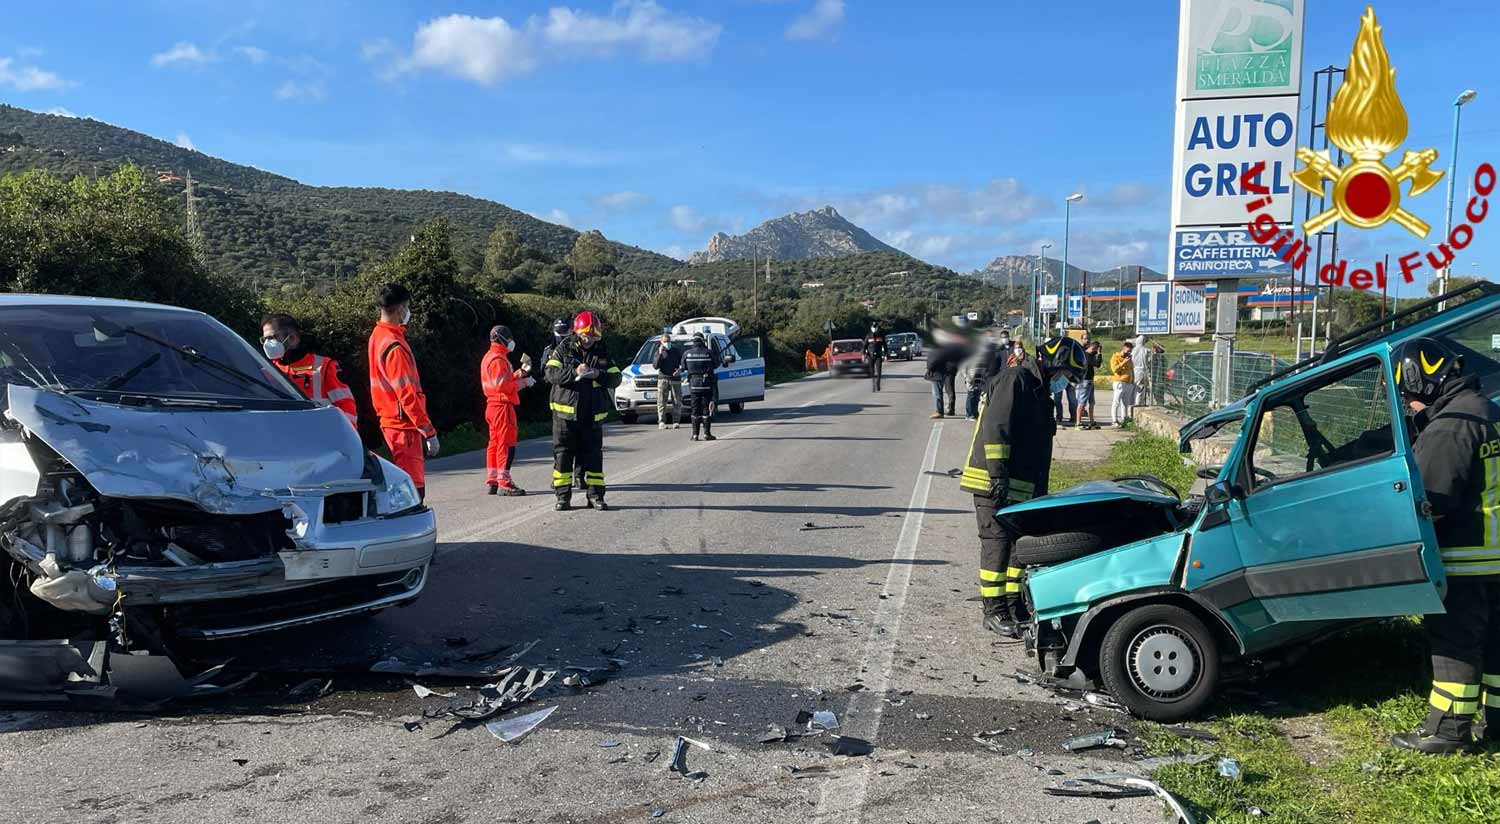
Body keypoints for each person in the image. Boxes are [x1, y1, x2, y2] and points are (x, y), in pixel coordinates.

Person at [1388, 338, 1500, 754]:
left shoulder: (1450, 426)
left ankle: (1448, 732)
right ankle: (1496, 727)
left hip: (1468, 558)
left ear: (1420, 381)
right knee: (1496, 644)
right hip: (1495, 558)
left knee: (1457, 644)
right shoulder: (1490, 412)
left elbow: (1429, 502)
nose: (1410, 405)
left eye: (1408, 395)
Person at [961, 336, 1087, 637]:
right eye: (1063, 375)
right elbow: (996, 429)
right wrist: (998, 475)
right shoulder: (1015, 380)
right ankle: (993, 611)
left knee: (1020, 547)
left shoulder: (1039, 390)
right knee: (997, 545)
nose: (1062, 382)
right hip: (994, 482)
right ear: (1053, 365)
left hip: (1022, 487)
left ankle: (1014, 603)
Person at [544, 311, 621, 512]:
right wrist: (574, 373)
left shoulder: (602, 351)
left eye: (594, 337)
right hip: (565, 415)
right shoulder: (564, 349)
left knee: (593, 456)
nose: (590, 340)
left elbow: (616, 378)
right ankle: (563, 498)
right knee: (563, 456)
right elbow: (550, 373)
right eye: (587, 336)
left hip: (592, 414)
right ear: (578, 333)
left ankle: (596, 496)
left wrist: (598, 374)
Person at [367, 284, 438, 501]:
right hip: (404, 425)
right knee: (413, 490)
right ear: (400, 309)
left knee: (401, 487)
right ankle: (413, 533)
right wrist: (428, 431)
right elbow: (407, 394)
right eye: (407, 306)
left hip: (391, 420)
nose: (408, 312)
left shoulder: (377, 336)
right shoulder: (394, 345)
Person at [260, 313, 358, 429]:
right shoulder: (268, 370)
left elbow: (347, 407)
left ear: (293, 338)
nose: (267, 344)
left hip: (321, 437)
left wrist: (344, 437)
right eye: (264, 339)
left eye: (272, 338)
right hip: (284, 438)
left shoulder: (324, 366)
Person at [481, 325, 534, 496]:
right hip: (502, 407)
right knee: (507, 444)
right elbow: (504, 387)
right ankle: (505, 481)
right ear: (501, 339)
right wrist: (526, 382)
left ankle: (493, 479)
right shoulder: (499, 360)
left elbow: (501, 381)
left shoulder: (491, 357)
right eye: (509, 338)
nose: (511, 342)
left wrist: (520, 373)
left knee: (494, 444)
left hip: (492, 406)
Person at [543, 318, 589, 491]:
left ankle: (579, 476)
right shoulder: (552, 350)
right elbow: (546, 372)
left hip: (581, 402)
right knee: (561, 447)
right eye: (559, 332)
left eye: (565, 332)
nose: (562, 335)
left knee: (582, 446)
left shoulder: (579, 349)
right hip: (560, 401)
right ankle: (560, 480)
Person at [682, 332, 719, 442]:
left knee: (695, 409)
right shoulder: (709, 352)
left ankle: (695, 435)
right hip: (706, 384)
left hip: (693, 385)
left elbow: (683, 367)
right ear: (702, 340)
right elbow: (716, 364)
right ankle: (707, 434)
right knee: (705, 409)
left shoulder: (687, 353)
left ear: (693, 341)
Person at [962, 337, 999, 421]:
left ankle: (975, 413)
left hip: (980, 378)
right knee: (971, 396)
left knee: (976, 396)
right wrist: (966, 377)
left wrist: (985, 375)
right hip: (971, 379)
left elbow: (986, 367)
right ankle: (969, 414)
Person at [652, 333, 683, 430]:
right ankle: (661, 421)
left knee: (677, 401)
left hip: (675, 379)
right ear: (661, 342)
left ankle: (676, 421)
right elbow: (655, 366)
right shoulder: (658, 352)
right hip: (663, 379)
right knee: (661, 401)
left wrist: (680, 370)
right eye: (665, 342)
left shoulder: (676, 351)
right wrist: (660, 354)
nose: (667, 343)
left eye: (668, 341)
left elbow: (683, 363)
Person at [1077, 339, 1102, 430]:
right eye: (1096, 349)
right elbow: (1097, 364)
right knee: (1082, 403)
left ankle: (1091, 422)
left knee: (1091, 402)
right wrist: (1099, 354)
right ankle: (1078, 423)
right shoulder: (1088, 356)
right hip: (1085, 381)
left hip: (1089, 381)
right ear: (1095, 348)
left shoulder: (1085, 353)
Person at [1109, 341, 1136, 427]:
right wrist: (1123, 362)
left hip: (1129, 383)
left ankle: (1124, 419)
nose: (1129, 353)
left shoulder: (1129, 358)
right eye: (1128, 351)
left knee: (1125, 403)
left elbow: (1131, 369)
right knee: (1116, 402)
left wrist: (1133, 381)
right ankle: (1114, 420)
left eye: (1130, 351)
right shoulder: (1115, 357)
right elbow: (1114, 370)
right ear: (1123, 348)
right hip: (1119, 382)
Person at [863, 323, 886, 392]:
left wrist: (885, 354)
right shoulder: (868, 336)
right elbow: (864, 345)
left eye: (875, 327)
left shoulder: (881, 335)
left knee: (879, 371)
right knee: (872, 371)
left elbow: (885, 346)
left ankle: (878, 384)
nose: (874, 328)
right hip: (870, 356)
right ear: (871, 327)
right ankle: (873, 385)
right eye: (873, 327)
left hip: (878, 355)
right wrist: (863, 354)